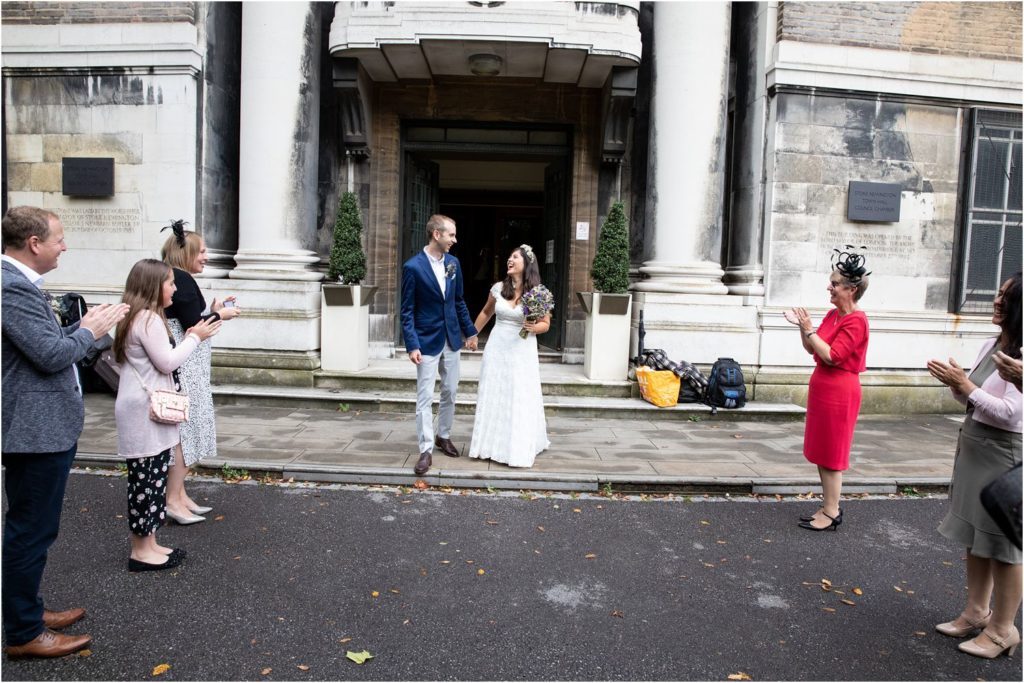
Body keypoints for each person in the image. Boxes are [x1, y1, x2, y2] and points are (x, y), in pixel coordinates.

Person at [2, 206, 128, 657]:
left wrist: (83, 327)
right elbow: (51, 356)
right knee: (29, 531)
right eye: (59, 239)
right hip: (34, 432)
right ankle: (23, 633)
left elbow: (50, 345)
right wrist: (91, 329)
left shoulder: (19, 284)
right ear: (34, 243)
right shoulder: (11, 287)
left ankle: (29, 612)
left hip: (45, 428)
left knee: (37, 529)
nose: (65, 246)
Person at [928, 272, 1022, 659]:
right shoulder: (991, 343)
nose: (996, 300)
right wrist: (958, 384)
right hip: (975, 448)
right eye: (997, 293)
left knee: (1003, 544)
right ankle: (976, 612)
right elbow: (974, 401)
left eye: (1005, 296)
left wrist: (967, 386)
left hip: (1003, 453)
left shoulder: (1020, 353)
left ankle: (1003, 629)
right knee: (975, 536)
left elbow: (1010, 414)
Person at [113, 259, 220, 571]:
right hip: (144, 413)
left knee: (153, 477)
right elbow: (168, 362)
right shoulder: (147, 319)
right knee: (146, 481)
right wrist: (195, 336)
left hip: (143, 409)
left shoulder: (139, 316)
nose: (175, 288)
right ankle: (141, 551)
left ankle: (150, 543)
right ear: (152, 286)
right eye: (170, 283)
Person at [160, 220, 241, 524]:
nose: (206, 256)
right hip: (187, 364)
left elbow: (191, 318)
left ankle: (179, 495)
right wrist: (222, 314)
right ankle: (173, 499)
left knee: (188, 429)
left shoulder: (178, 278)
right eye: (203, 251)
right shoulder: (180, 279)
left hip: (189, 360)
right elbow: (195, 326)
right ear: (187, 253)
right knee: (187, 430)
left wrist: (213, 309)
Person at [784, 247, 870, 531]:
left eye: (834, 283)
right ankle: (826, 505)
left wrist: (809, 329)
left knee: (832, 453)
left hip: (840, 392)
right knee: (822, 450)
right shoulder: (834, 315)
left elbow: (833, 355)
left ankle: (832, 511)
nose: (829, 287)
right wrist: (802, 326)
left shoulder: (857, 320)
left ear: (852, 289)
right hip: (823, 389)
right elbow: (813, 347)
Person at [400, 214, 478, 476]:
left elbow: (458, 301)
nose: (455, 240)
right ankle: (425, 449)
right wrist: (412, 345)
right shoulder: (413, 267)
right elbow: (407, 310)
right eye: (451, 235)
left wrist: (470, 332)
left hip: (452, 338)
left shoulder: (453, 263)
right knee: (424, 397)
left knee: (451, 391)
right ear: (436, 234)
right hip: (426, 340)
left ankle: (443, 436)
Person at [468, 245, 550, 467]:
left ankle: (516, 447)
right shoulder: (498, 288)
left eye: (515, 257)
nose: (509, 259)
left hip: (521, 351)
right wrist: (472, 334)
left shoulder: (537, 293)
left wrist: (534, 327)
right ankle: (488, 445)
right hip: (497, 348)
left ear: (527, 263)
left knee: (518, 394)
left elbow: (545, 324)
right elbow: (486, 312)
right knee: (494, 391)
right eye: (509, 256)